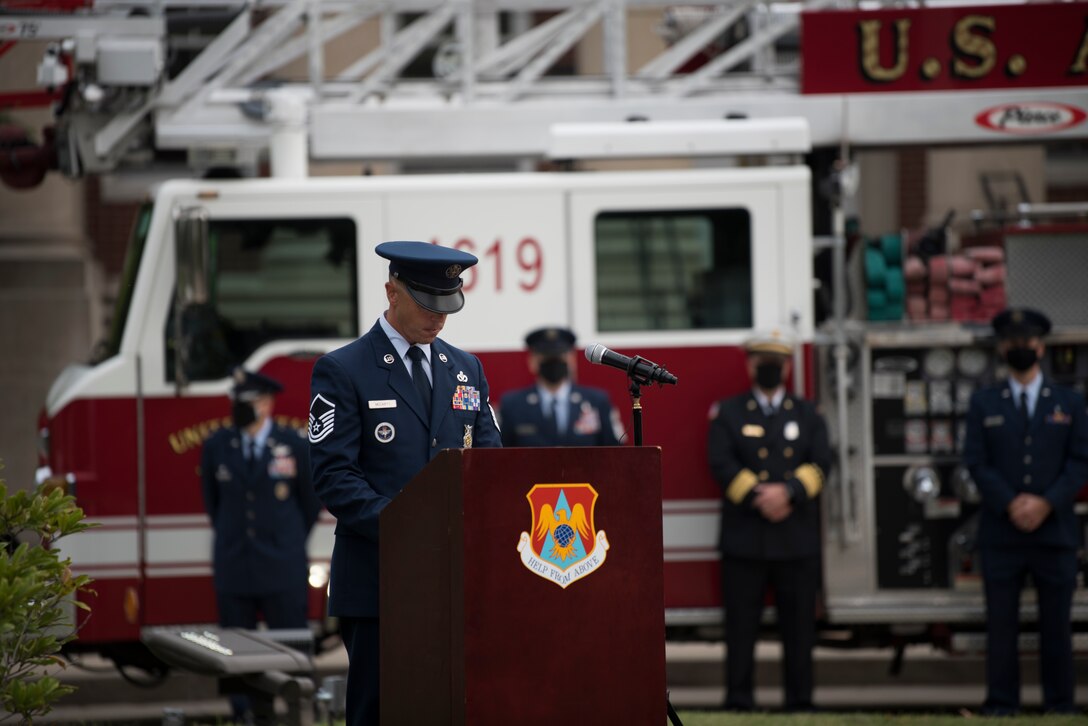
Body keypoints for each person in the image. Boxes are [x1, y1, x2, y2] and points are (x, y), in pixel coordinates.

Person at [308, 240, 502, 726]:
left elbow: (490, 465)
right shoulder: (344, 369)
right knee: (381, 710)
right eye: (427, 305)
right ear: (392, 292)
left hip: (453, 580)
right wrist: (407, 526)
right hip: (380, 580)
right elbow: (334, 476)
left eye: (447, 306)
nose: (439, 319)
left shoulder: (466, 369)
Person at [963, 307, 1088, 716]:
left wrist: (1046, 502)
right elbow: (976, 461)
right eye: (1013, 343)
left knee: (1056, 625)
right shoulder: (984, 402)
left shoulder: (1069, 402)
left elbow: (1080, 461)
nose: (1021, 348)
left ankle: (1060, 706)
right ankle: (1002, 705)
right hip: (1002, 532)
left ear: (1041, 347)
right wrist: (1011, 502)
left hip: (1055, 532)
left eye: (1027, 342)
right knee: (1001, 625)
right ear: (1002, 349)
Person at [706, 332, 831, 711]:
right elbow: (721, 463)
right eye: (762, 362)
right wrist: (760, 498)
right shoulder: (728, 412)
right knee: (740, 630)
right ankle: (738, 702)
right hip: (746, 538)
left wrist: (789, 493)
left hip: (796, 539)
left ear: (788, 367)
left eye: (776, 363)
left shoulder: (808, 413)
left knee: (799, 631)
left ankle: (800, 704)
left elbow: (822, 463)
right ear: (749, 366)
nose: (770, 369)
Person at [200, 368, 320, 721]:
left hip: (282, 564)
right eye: (236, 401)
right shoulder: (218, 446)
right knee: (236, 647)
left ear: (266, 404)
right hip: (234, 564)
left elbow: (310, 503)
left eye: (248, 401)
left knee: (291, 643)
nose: (239, 408)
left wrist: (287, 541)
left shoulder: (293, 444)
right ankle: (244, 714)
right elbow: (213, 503)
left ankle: (297, 709)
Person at [499, 326, 625, 447]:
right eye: (547, 357)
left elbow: (615, 450)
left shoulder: (597, 401)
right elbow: (502, 453)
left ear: (572, 359)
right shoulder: (512, 405)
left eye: (559, 357)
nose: (554, 363)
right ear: (532, 361)